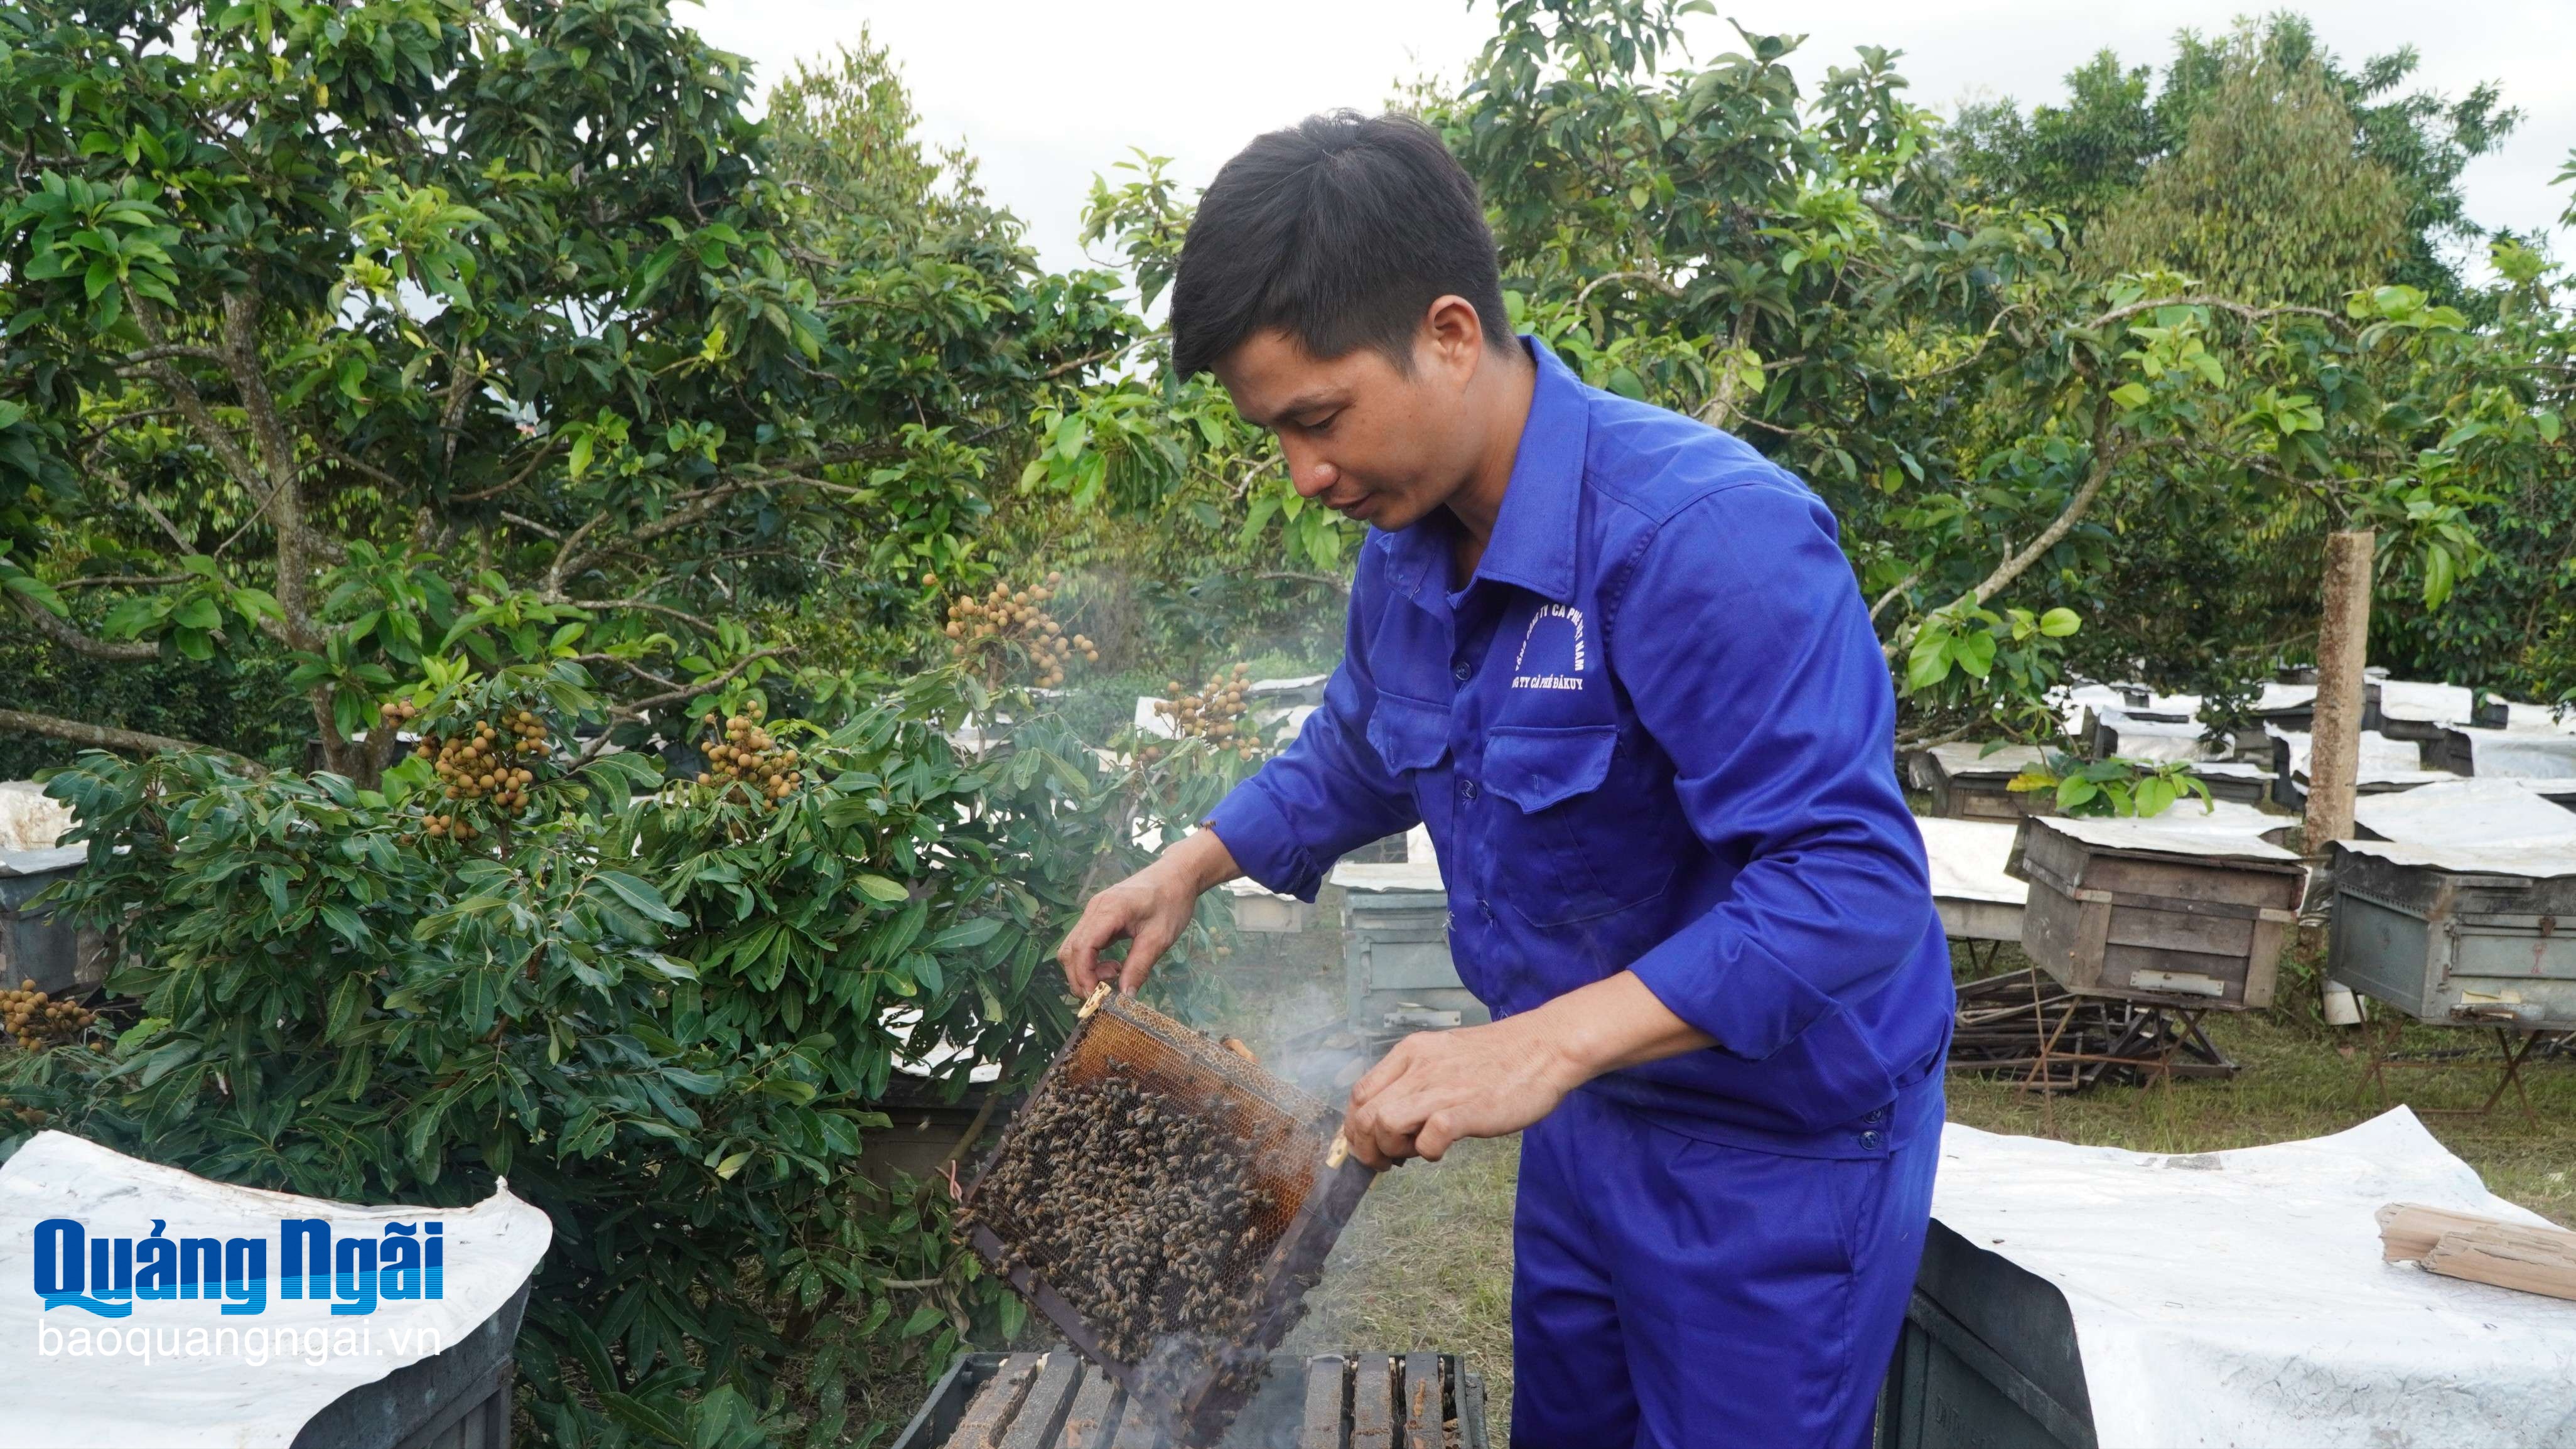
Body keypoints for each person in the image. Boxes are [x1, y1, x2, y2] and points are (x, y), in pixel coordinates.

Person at [1057, 111, 1954, 1449]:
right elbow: (1362, 745)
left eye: (1319, 419)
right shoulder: (1407, 550)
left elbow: (1852, 884)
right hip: (1590, 1116)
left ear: (1452, 333)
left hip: (1774, 1148)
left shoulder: (1707, 539)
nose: (1302, 474)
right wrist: (1192, 860)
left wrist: (1534, 1044)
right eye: (1274, 435)